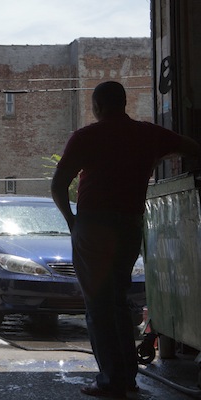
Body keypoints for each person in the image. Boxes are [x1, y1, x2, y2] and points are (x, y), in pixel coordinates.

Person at [51, 81, 201, 399]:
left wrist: (71, 221)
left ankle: (111, 380)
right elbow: (193, 148)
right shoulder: (149, 135)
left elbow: (58, 184)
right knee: (117, 300)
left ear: (98, 106)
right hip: (130, 225)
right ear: (123, 103)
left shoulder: (87, 137)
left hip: (93, 227)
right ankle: (126, 377)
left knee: (98, 304)